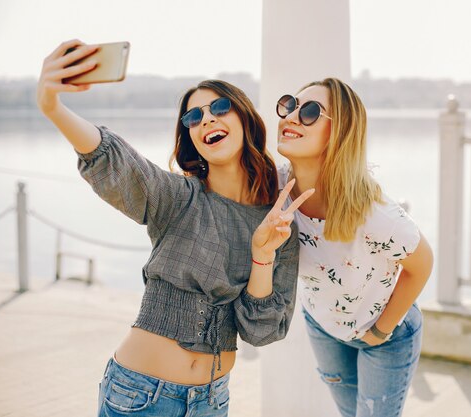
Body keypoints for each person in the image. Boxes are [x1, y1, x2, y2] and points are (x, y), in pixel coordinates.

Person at [36, 39, 314, 417]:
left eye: (219, 107)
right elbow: (117, 160)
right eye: (193, 118)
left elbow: (262, 331)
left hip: (213, 402)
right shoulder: (177, 197)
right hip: (140, 396)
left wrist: (263, 254)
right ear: (191, 140)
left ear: (245, 118)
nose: (207, 120)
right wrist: (52, 107)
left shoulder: (278, 223)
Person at [275, 78, 433, 417]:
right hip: (322, 325)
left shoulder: (376, 214)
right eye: (289, 106)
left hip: (385, 334)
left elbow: (422, 264)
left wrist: (380, 330)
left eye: (310, 112)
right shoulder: (275, 187)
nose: (290, 117)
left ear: (340, 132)